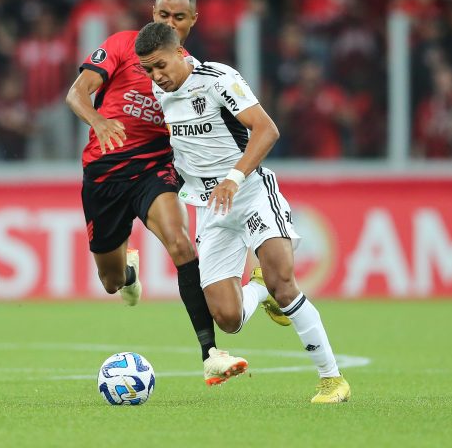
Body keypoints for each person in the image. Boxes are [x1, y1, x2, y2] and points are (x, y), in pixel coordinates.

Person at [66, 0, 278, 386]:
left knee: (181, 244)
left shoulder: (192, 72)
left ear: (192, 22)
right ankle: (128, 273)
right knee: (110, 282)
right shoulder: (124, 45)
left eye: (179, 17)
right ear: (153, 12)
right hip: (104, 173)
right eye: (163, 15)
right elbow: (77, 94)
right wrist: (98, 120)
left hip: (153, 171)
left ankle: (211, 354)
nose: (169, 23)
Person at [134, 21, 351, 403]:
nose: (157, 76)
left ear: (180, 53)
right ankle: (259, 287)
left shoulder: (218, 79)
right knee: (228, 319)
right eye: (148, 70)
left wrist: (234, 178)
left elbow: (266, 129)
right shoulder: (158, 92)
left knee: (285, 284)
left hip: (249, 192)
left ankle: (331, 379)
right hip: (210, 209)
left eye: (161, 65)